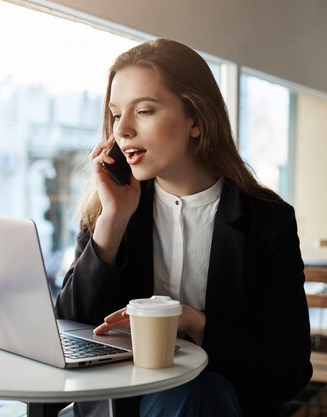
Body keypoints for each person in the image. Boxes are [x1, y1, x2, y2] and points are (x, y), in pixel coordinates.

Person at [55, 38, 312, 417]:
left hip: (216, 400)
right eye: (114, 115)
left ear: (196, 119)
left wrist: (196, 323)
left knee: (193, 395)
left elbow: (287, 373)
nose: (122, 130)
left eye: (143, 110)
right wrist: (113, 221)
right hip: (116, 401)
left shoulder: (267, 221)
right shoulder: (109, 208)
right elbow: (68, 328)